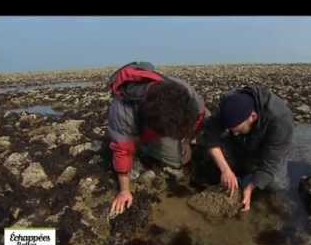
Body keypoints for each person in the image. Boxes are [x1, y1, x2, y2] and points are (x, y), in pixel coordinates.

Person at [107, 61, 208, 217]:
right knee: (173, 161)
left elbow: (200, 115)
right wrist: (124, 191)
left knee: (182, 155)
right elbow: (123, 151)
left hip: (166, 115)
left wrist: (187, 141)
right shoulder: (122, 110)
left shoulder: (182, 89)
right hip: (141, 124)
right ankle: (145, 145)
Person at [201, 85, 293, 212]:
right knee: (212, 157)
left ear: (253, 116)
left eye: (237, 130)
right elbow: (210, 134)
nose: (235, 133)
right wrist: (225, 169)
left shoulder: (280, 120)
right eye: (231, 130)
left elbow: (271, 163)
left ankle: (248, 177)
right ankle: (240, 171)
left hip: (267, 148)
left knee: (275, 183)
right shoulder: (229, 105)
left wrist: (250, 188)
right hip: (242, 143)